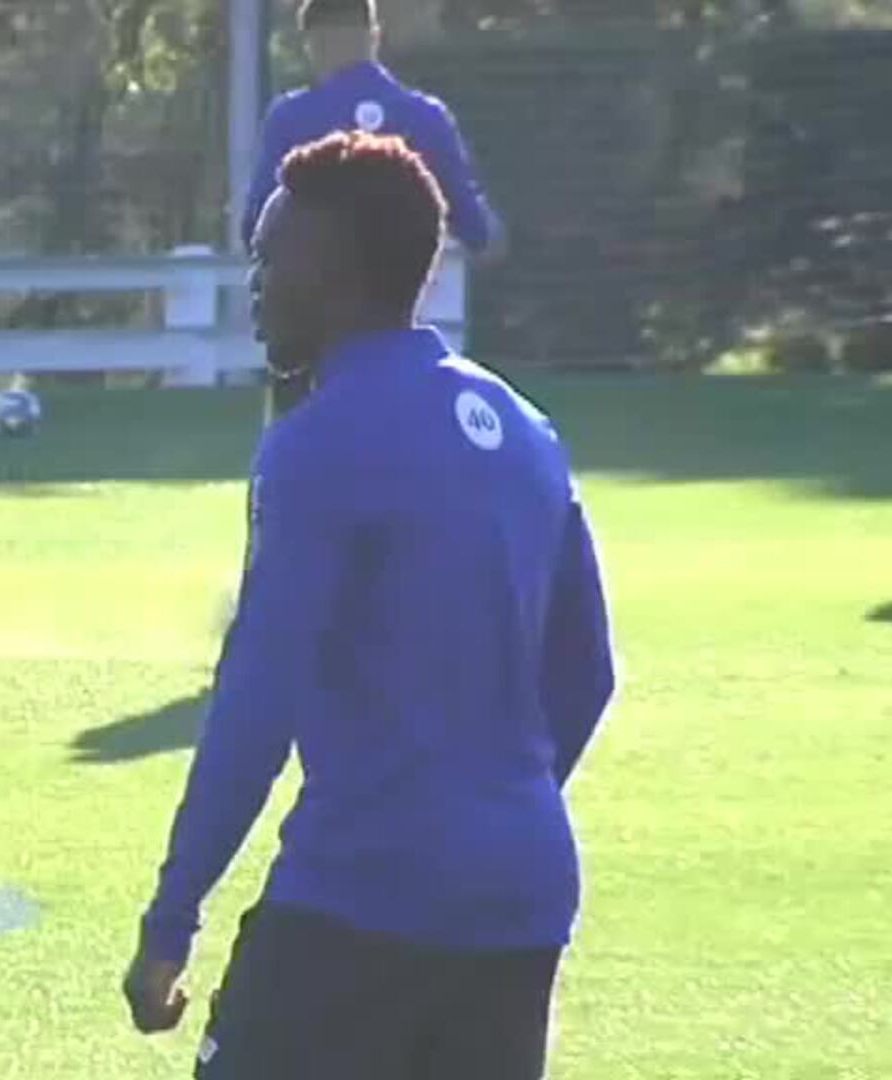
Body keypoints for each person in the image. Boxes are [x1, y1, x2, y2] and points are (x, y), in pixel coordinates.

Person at [122, 131, 615, 1079]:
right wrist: (493, 809)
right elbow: (587, 671)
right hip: (522, 895)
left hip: (360, 898)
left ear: (335, 274)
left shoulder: (318, 445)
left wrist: (172, 918)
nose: (256, 286)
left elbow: (257, 703)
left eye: (271, 259)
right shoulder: (526, 430)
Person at [249, 0, 506, 422]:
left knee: (299, 447)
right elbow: (476, 228)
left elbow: (256, 222)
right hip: (400, 336)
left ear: (313, 41)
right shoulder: (425, 116)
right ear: (373, 35)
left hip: (312, 337)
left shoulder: (292, 118)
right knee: (404, 444)